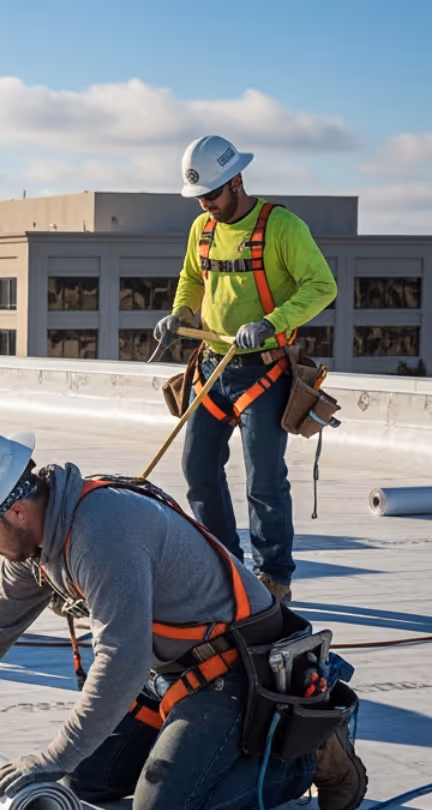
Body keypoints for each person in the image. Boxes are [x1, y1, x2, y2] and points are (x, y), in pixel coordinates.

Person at [0, 429, 367, 810]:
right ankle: (197, 751)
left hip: (235, 668)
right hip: (171, 669)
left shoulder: (100, 534)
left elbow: (121, 658)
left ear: (16, 511)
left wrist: (54, 752)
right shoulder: (37, 545)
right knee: (88, 778)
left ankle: (310, 755)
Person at [153, 135, 338, 606]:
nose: (206, 204)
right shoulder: (202, 229)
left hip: (265, 371)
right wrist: (180, 314)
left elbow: (321, 286)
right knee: (198, 469)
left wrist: (271, 324)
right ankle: (224, 564)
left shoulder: (282, 227)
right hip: (214, 366)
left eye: (212, 194)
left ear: (236, 181)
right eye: (199, 197)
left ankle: (273, 574)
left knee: (265, 480)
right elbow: (193, 278)